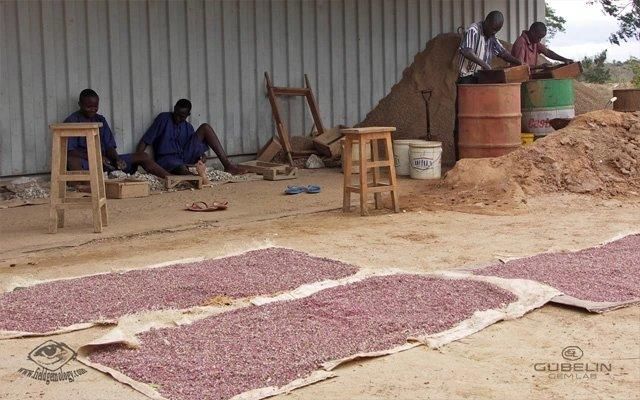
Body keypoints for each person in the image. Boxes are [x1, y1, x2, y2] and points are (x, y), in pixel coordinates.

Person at [454, 11, 523, 160]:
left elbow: (503, 53)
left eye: (496, 30)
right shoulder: (474, 30)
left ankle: (479, 155)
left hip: (481, 79)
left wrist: (519, 63)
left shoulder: (491, 37)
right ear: (486, 21)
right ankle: (460, 158)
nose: (493, 32)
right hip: (467, 79)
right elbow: (466, 51)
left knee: (480, 118)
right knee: (463, 120)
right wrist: (483, 63)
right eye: (492, 28)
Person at [65, 89, 169, 178]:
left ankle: (172, 179)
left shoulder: (100, 119)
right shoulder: (72, 121)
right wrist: (96, 157)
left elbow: (109, 146)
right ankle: (84, 186)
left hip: (106, 161)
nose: (93, 110)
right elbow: (70, 152)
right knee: (72, 161)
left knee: (143, 156)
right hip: (86, 162)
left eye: (95, 106)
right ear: (80, 104)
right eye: (88, 107)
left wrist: (117, 159)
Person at [137, 99, 244, 176]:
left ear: (188, 114)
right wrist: (137, 162)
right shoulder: (163, 119)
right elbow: (145, 140)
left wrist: (202, 156)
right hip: (166, 159)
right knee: (181, 168)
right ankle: (192, 178)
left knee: (205, 127)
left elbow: (194, 148)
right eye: (176, 114)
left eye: (182, 117)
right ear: (174, 109)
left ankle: (227, 165)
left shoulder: (188, 127)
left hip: (183, 157)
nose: (178, 119)